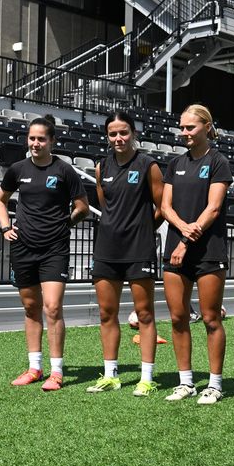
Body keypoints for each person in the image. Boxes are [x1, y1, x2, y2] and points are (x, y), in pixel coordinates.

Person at [0, 116, 89, 392]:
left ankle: (56, 371)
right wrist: (5, 227)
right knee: (30, 308)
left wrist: (65, 224)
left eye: (41, 139)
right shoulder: (17, 169)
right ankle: (35, 368)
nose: (35, 143)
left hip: (54, 249)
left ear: (52, 141)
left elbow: (82, 207)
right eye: (32, 138)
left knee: (53, 307)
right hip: (23, 247)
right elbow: (1, 200)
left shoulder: (64, 171)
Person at [86, 111, 164, 397]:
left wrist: (143, 230)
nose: (118, 138)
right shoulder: (100, 166)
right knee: (107, 313)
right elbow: (106, 205)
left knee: (144, 313)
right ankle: (111, 375)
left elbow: (162, 207)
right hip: (106, 248)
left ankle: (146, 378)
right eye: (113, 134)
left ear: (133, 132)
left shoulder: (148, 165)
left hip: (138, 249)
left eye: (124, 132)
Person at [161, 103, 231, 404]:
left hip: (207, 249)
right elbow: (165, 206)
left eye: (190, 127)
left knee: (211, 318)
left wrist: (187, 239)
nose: (184, 132)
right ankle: (186, 382)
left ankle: (214, 384)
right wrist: (181, 227)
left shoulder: (218, 162)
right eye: (182, 127)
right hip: (176, 250)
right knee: (178, 318)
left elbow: (213, 208)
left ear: (206, 127)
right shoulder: (175, 163)